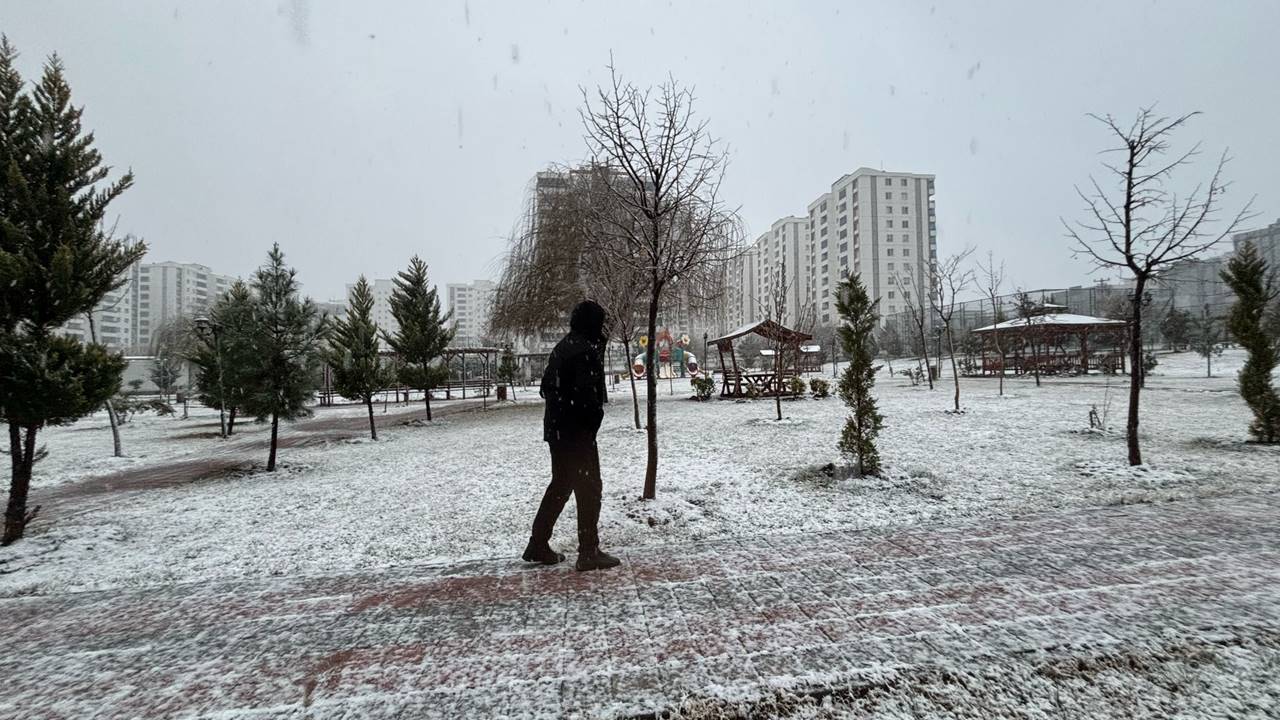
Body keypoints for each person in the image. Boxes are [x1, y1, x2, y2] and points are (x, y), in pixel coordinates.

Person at [522, 300, 621, 572]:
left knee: (561, 485)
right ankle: (588, 551)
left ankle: (537, 543)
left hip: (558, 430)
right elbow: (589, 399)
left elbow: (547, 388)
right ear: (593, 324)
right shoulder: (583, 352)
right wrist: (590, 427)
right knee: (589, 489)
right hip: (576, 433)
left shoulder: (565, 347)